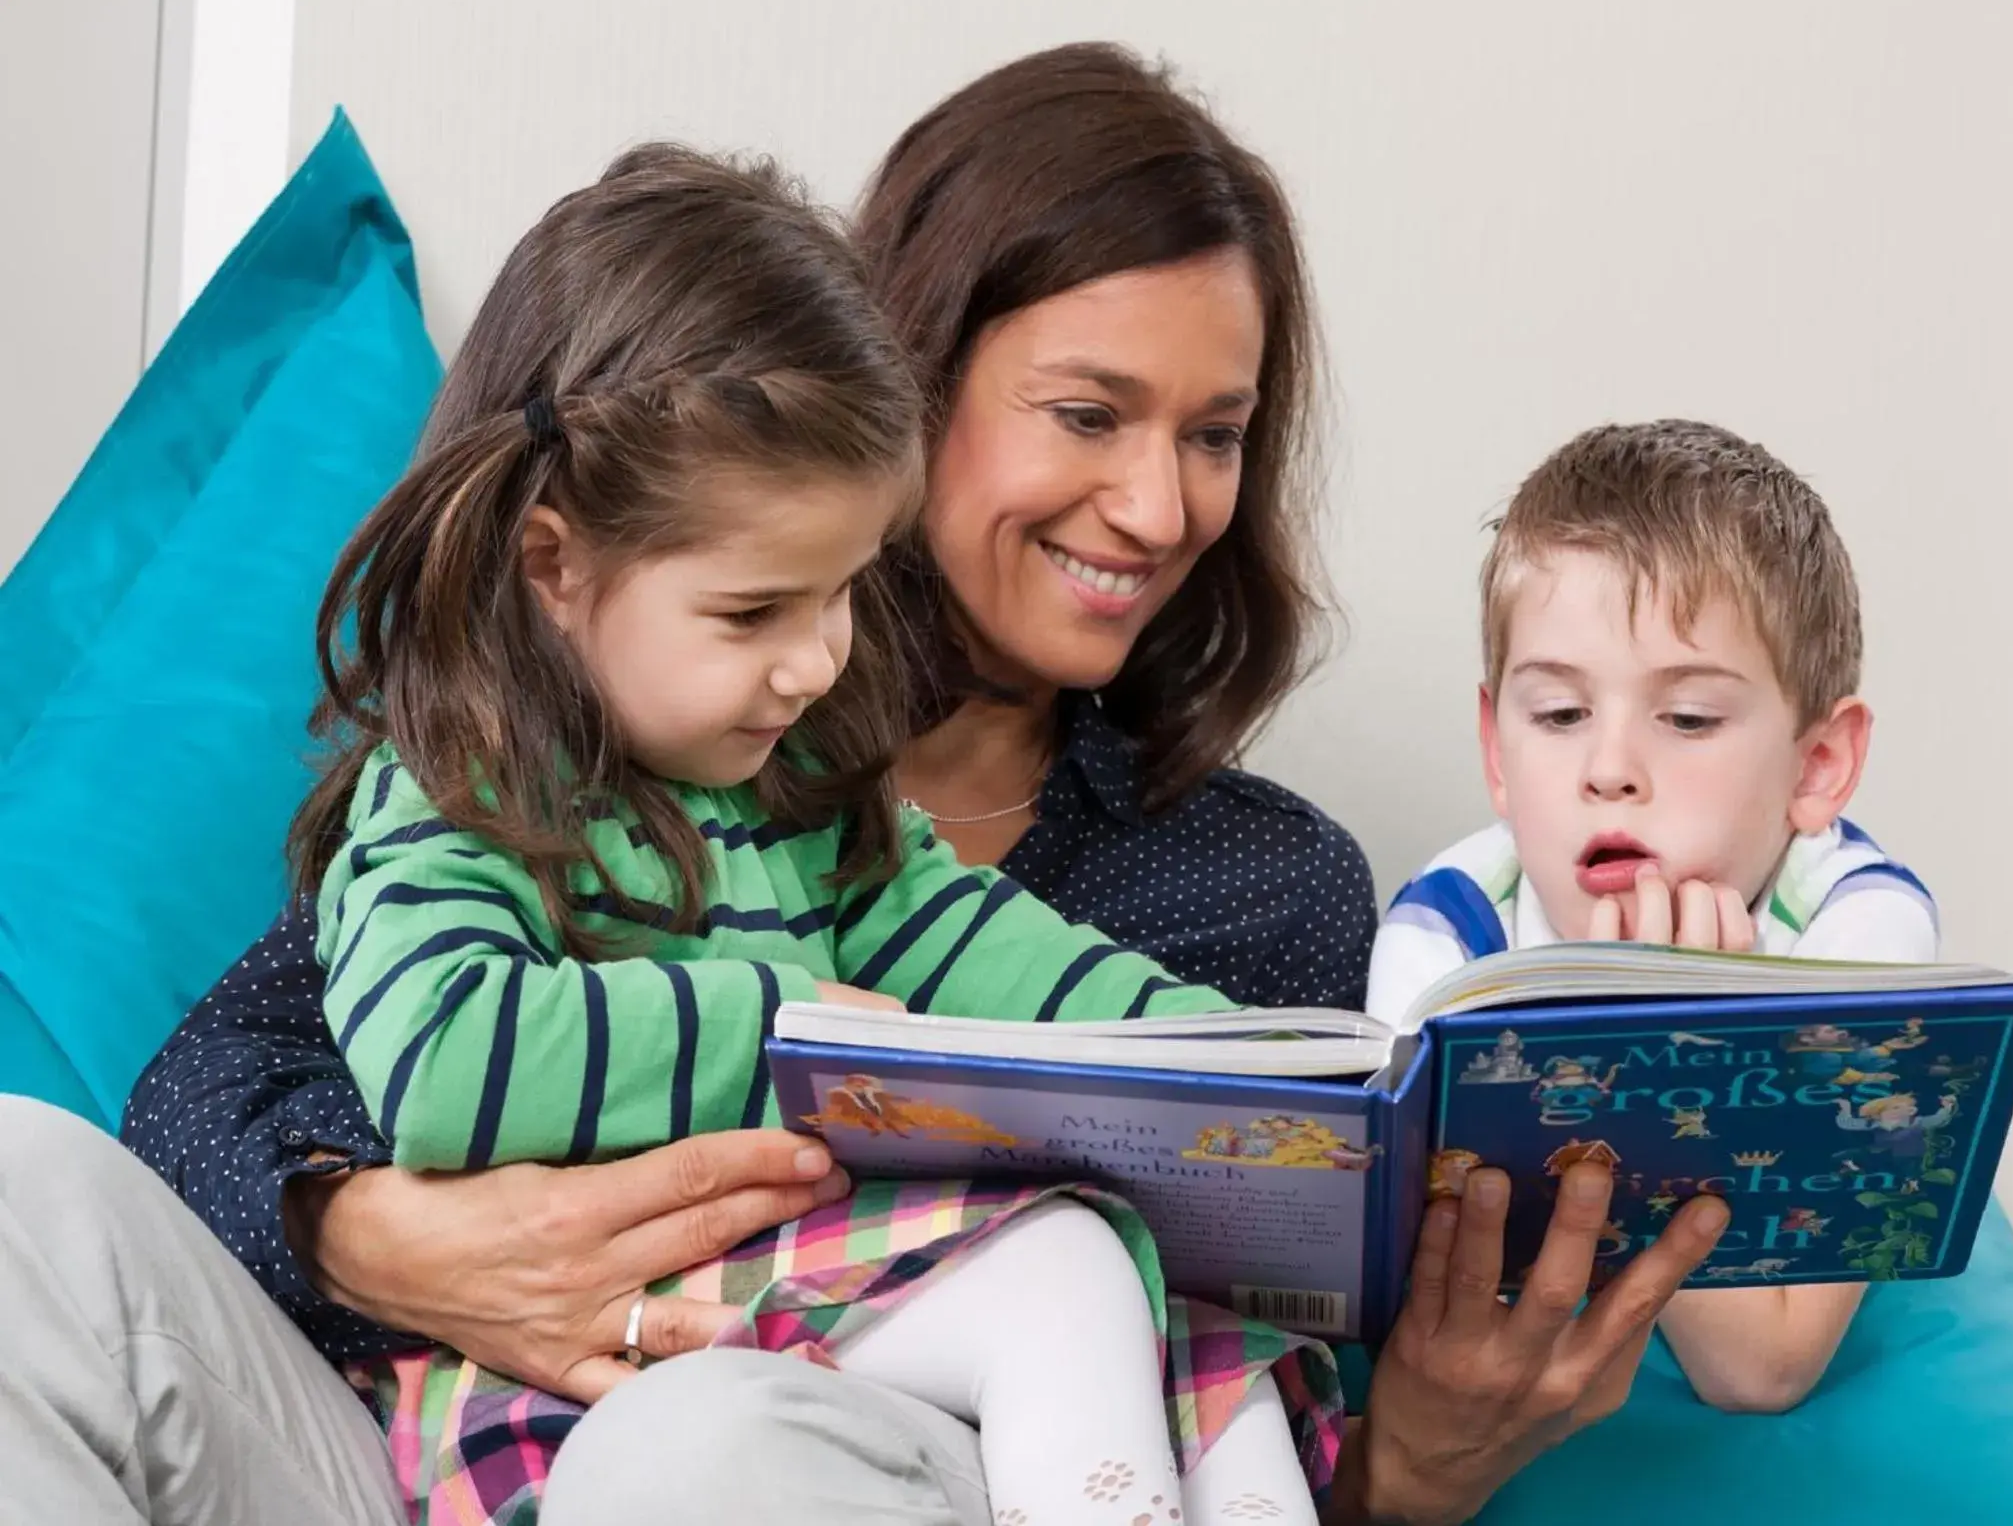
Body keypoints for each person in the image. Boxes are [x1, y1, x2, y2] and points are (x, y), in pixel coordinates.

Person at [54, 41, 1725, 1526]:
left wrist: (1351, 1172)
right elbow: (230, 1086)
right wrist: (376, 1236)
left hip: (835, 1445)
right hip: (466, 1424)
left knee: (728, 1439)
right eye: (1086, 412)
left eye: (1214, 432)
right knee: (21, 1194)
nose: (1155, 505)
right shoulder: (530, 770)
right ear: (901, 390)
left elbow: (1104, 1064)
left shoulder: (1247, 882)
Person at [301, 140, 1336, 1524]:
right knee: (1069, 1274)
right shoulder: (452, 790)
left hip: (782, 1299)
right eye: (754, 613)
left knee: (1219, 1356)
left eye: (845, 590)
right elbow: (438, 1060)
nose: (816, 664)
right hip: (583, 1364)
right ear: (555, 567)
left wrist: (1239, 1065)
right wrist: (793, 1030)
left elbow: (992, 954)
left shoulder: (796, 797)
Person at [1365, 418, 1934, 1414]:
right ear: (1497, 754)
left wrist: (1649, 1037)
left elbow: (1760, 1370)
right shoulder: (1445, 931)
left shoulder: (1862, 925)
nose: (1609, 769)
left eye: (1684, 719)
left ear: (1816, 766)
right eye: (1557, 715)